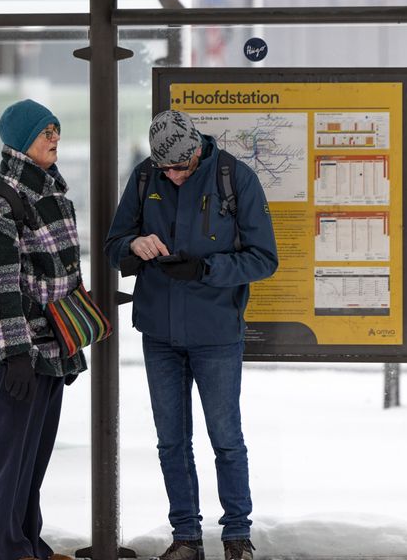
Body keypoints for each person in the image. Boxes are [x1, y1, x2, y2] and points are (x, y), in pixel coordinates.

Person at [104, 110, 278, 560]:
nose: (174, 177)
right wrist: (132, 246)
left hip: (217, 332)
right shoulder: (146, 178)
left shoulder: (235, 179)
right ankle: (186, 536)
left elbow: (265, 259)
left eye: (181, 168)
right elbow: (113, 243)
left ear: (197, 150)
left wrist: (207, 268)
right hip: (159, 331)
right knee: (171, 441)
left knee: (225, 437)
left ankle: (237, 536)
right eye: (167, 170)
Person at [0, 99, 85, 560]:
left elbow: (62, 279)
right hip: (23, 355)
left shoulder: (50, 195)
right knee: (11, 462)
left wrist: (69, 347)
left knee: (33, 461)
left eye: (56, 128)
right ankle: (2, 550)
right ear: (20, 143)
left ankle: (28, 542)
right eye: (44, 132)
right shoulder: (3, 203)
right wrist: (15, 353)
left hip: (51, 351)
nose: (54, 137)